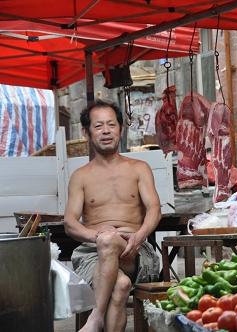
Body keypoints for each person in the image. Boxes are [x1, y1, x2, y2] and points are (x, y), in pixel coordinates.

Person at [64, 100, 161, 332]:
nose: (106, 131)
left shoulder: (140, 168)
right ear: (86, 133)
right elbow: (69, 223)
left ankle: (95, 318)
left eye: (111, 124)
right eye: (98, 126)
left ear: (120, 129)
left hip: (135, 251)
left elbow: (155, 209)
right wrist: (100, 236)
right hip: (92, 253)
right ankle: (98, 317)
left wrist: (140, 235)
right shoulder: (80, 176)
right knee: (120, 285)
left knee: (113, 249)